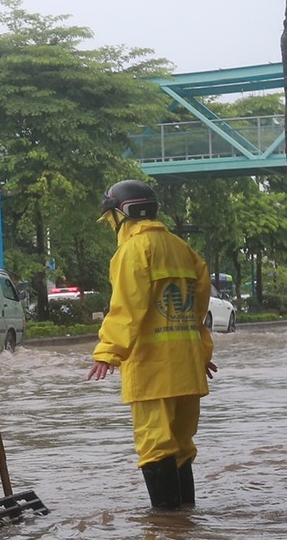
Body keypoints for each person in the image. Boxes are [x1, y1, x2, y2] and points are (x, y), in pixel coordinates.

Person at [87, 180, 216, 511]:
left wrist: (108, 352)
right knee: (182, 445)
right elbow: (198, 310)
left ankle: (167, 529)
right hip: (187, 367)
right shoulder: (182, 249)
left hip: (151, 368)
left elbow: (126, 308)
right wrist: (202, 354)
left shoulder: (133, 251)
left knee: (155, 446)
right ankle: (186, 522)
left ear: (122, 215)